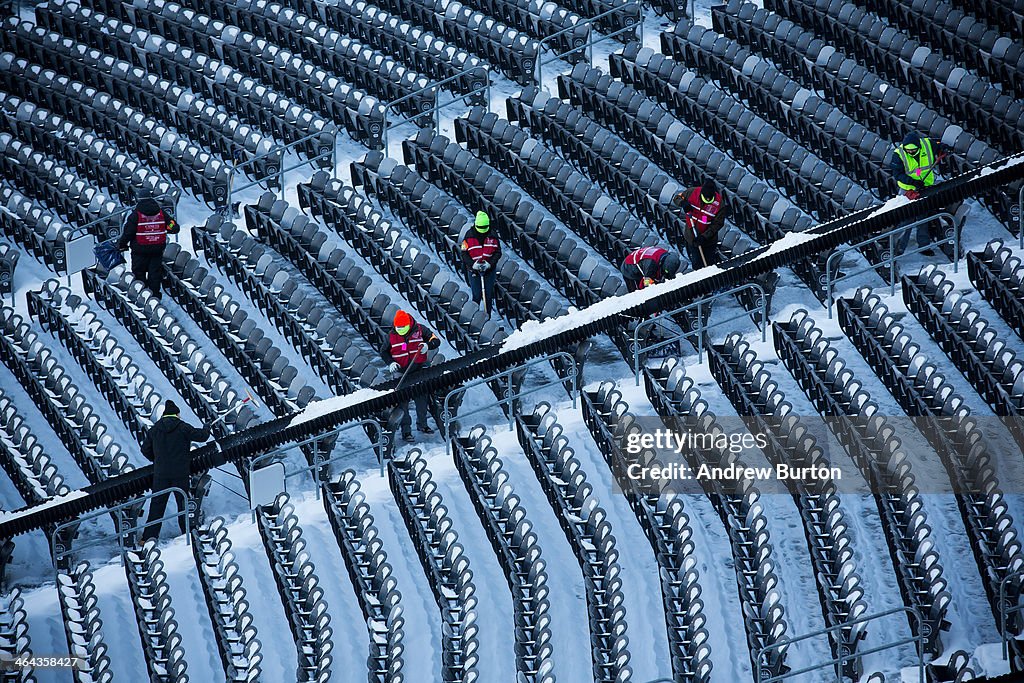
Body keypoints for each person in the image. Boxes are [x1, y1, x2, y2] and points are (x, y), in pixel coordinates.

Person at [140, 400, 211, 543]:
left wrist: (157, 460)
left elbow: (145, 449)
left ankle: (148, 537)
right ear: (177, 414)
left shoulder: (154, 430)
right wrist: (206, 428)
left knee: (157, 506)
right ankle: (188, 533)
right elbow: (201, 437)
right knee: (183, 504)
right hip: (180, 472)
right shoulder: (182, 427)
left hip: (161, 474)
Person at [384, 310, 441, 442]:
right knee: (403, 403)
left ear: (409, 325)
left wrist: (428, 345)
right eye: (398, 328)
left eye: (403, 327)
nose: (400, 330)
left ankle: (423, 425)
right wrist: (390, 362)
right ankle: (406, 431)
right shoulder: (391, 336)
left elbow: (436, 340)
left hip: (418, 369)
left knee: (422, 399)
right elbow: (384, 351)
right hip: (400, 373)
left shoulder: (421, 330)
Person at [889, 131, 951, 254]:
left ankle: (924, 246)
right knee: (907, 219)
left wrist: (943, 147)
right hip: (908, 190)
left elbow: (938, 146)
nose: (911, 152)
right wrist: (913, 182)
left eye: (913, 150)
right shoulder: (898, 154)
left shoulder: (927, 144)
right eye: (908, 150)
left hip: (926, 187)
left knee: (923, 217)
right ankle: (899, 249)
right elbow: (898, 174)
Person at [117, 195, 178, 299]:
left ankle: (143, 297)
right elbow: (174, 226)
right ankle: (155, 297)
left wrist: (121, 245)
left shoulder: (135, 215)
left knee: (139, 273)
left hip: (139, 250)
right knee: (154, 273)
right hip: (157, 249)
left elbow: (128, 233)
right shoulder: (161, 213)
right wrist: (169, 228)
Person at [672, 179, 726, 269]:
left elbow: (718, 224)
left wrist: (704, 236)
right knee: (697, 264)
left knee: (709, 265)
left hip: (708, 241)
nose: (707, 201)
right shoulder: (692, 192)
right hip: (691, 236)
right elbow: (677, 198)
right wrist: (682, 203)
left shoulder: (719, 204)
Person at [461, 211, 501, 315]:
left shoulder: (493, 235)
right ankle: (475, 317)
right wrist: (472, 264)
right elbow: (464, 254)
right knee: (477, 295)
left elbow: (497, 252)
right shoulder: (468, 236)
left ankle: (488, 316)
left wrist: (490, 264)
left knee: (488, 295)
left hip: (489, 270)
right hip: (473, 269)